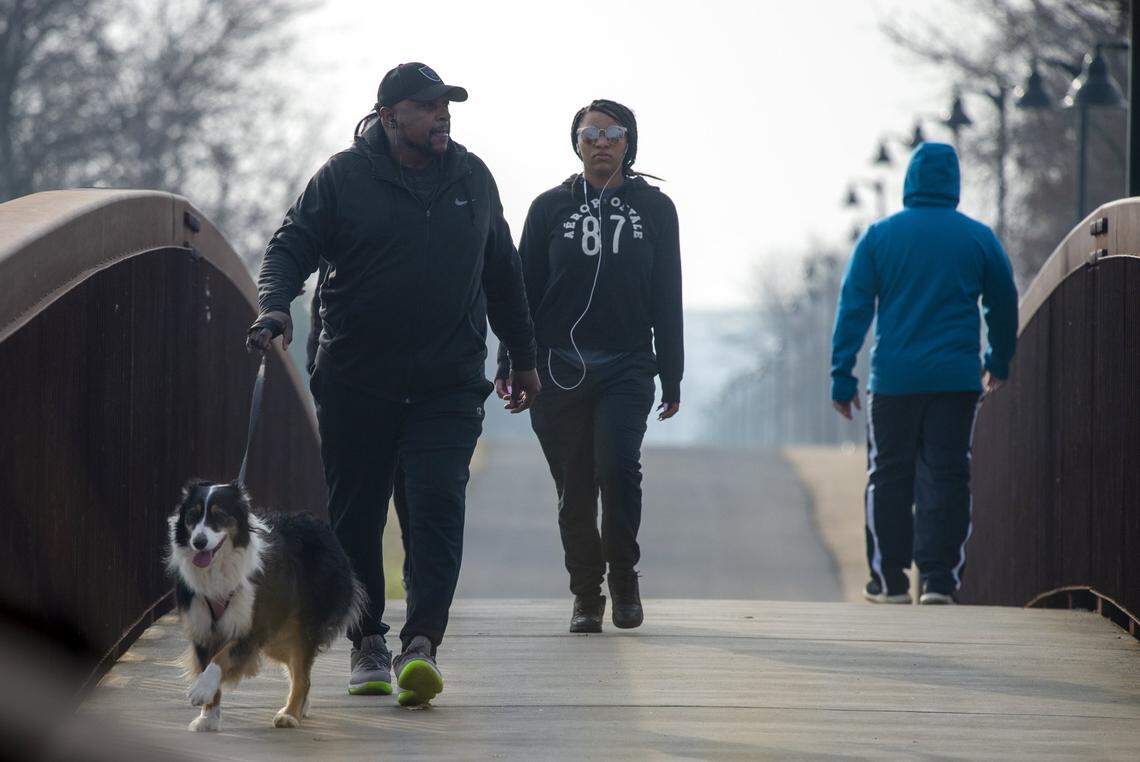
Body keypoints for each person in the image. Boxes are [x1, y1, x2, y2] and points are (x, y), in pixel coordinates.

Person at [248, 62, 540, 706]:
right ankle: (367, 643)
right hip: (357, 380)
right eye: (427, 105)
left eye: (447, 105)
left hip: (446, 384)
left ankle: (422, 644)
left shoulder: (470, 176)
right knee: (356, 515)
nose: (442, 115)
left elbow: (504, 272)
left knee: (437, 508)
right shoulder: (344, 178)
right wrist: (274, 304)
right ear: (388, 117)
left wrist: (521, 353)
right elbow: (291, 245)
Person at [496, 99, 683, 633]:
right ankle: (586, 595)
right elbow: (522, 292)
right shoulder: (548, 208)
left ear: (630, 143)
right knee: (574, 488)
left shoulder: (656, 209)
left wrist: (672, 372)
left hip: (627, 366)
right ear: (576, 143)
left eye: (613, 133)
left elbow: (668, 293)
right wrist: (512, 360)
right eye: (591, 133)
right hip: (557, 369)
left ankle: (624, 576)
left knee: (618, 470)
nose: (602, 142)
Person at [830, 142, 1017, 606]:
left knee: (888, 476)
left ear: (909, 180)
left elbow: (853, 307)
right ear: (953, 182)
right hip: (955, 380)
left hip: (893, 380)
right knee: (949, 475)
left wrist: (842, 374)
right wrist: (998, 359)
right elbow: (1003, 302)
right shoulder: (977, 238)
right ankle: (938, 580)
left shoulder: (879, 237)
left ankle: (889, 579)